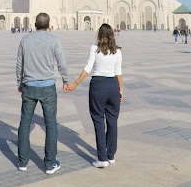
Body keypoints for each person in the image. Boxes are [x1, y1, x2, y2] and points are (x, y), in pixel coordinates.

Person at [16, 12, 70, 175]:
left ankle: (22, 162)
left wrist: (20, 82)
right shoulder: (54, 40)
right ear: (48, 25)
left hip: (29, 86)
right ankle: (49, 163)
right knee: (51, 124)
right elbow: (62, 63)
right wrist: (66, 81)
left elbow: (19, 64)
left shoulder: (25, 40)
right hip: (47, 88)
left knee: (25, 123)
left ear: (35, 24)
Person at [65, 23, 123, 168]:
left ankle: (102, 158)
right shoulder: (117, 51)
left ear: (99, 35)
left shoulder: (94, 49)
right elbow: (118, 72)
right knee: (112, 121)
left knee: (98, 120)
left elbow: (88, 68)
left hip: (98, 86)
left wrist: (75, 83)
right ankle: (111, 156)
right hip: (113, 87)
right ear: (112, 35)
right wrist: (120, 89)